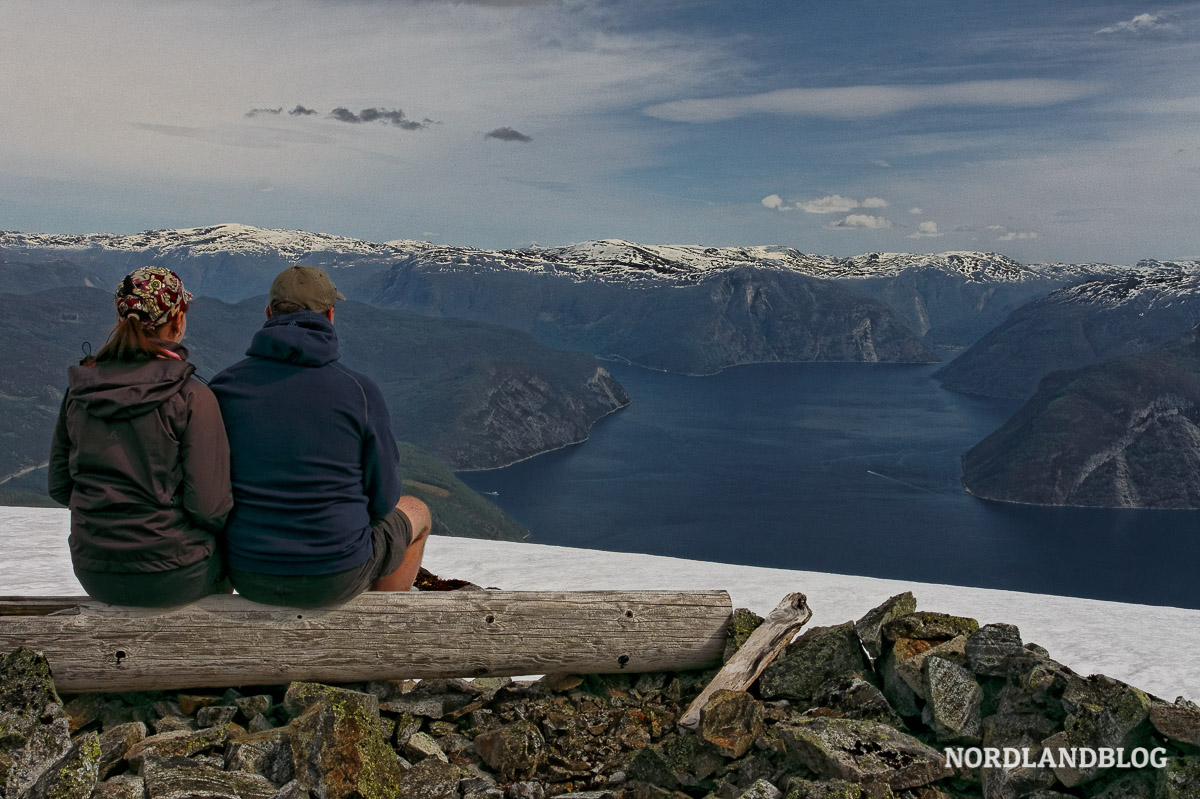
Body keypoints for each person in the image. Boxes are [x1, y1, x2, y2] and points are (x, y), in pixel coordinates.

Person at [209, 265, 431, 607]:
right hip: (335, 576)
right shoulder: (359, 391)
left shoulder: (224, 387)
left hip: (248, 571)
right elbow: (384, 499)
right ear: (330, 315)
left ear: (268, 314)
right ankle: (384, 629)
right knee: (417, 511)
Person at [48, 266, 232, 606]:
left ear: (120, 317)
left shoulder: (80, 391)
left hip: (94, 571)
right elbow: (209, 506)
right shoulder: (190, 397)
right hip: (177, 574)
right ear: (177, 320)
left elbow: (60, 486)